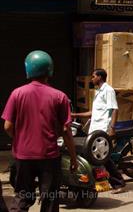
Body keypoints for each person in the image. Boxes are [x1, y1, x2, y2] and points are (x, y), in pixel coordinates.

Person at [1, 50, 78, 212]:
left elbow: (7, 126)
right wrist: (73, 158)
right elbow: (66, 131)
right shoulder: (60, 97)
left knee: (22, 196)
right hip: (49, 156)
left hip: (23, 156)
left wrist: (20, 139)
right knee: (50, 200)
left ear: (28, 69)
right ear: (50, 70)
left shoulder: (17, 94)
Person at [72, 68, 126, 194]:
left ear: (100, 77)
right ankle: (94, 183)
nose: (92, 79)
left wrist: (112, 128)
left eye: (93, 76)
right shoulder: (98, 92)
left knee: (104, 158)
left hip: (102, 130)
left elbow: (114, 109)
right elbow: (93, 113)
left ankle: (119, 184)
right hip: (94, 130)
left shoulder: (108, 90)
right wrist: (75, 114)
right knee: (95, 157)